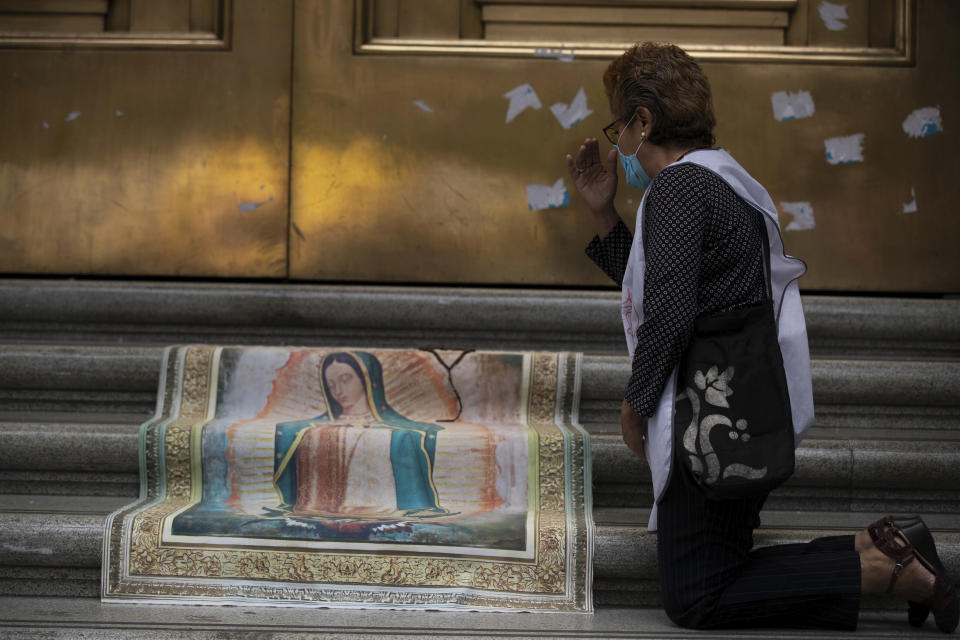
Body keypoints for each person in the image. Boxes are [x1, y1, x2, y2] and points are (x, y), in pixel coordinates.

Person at [566, 42, 958, 632]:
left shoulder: (677, 189)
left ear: (644, 121)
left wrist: (635, 402)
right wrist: (603, 213)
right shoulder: (724, 179)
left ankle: (888, 570)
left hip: (708, 417)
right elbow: (666, 286)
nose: (620, 141)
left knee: (698, 596)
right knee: (718, 570)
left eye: (620, 124)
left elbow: (669, 311)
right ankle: (883, 548)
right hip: (738, 408)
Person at [273, 351, 446, 518]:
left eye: (345, 380)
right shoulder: (309, 431)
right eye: (331, 385)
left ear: (367, 380)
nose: (338, 390)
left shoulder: (402, 435)